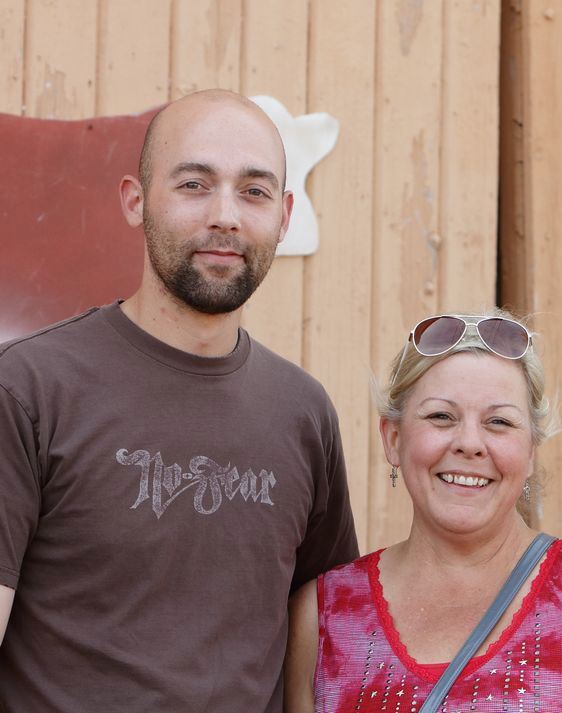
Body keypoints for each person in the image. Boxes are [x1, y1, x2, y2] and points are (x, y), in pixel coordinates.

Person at [0, 89, 359, 712]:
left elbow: (319, 631)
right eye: (194, 185)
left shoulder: (303, 413)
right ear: (135, 202)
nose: (226, 215)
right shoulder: (30, 388)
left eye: (254, 191)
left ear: (284, 213)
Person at [284, 312, 562, 712]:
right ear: (393, 438)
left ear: (531, 450)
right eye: (440, 416)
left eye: (499, 422)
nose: (470, 443)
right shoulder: (323, 615)